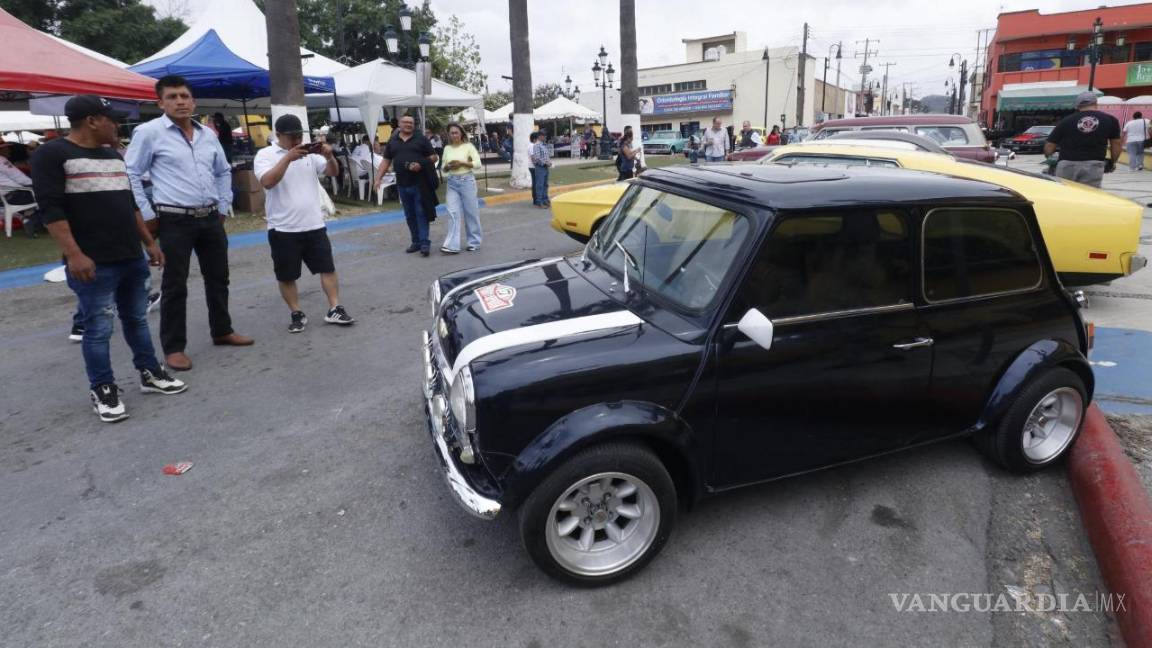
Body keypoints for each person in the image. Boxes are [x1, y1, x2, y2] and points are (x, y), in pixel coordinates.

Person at [33, 95, 187, 423]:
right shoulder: (53, 154)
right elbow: (52, 211)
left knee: (136, 319)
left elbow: (129, 204)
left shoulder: (114, 156)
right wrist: (75, 255)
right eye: (110, 119)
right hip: (93, 260)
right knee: (99, 328)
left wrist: (148, 242)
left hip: (130, 255)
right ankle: (103, 387)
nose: (116, 125)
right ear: (91, 121)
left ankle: (149, 372)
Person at [125, 75, 253, 372]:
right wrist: (146, 213)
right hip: (174, 219)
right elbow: (130, 174)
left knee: (219, 277)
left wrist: (223, 205)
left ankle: (222, 330)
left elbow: (223, 171)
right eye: (172, 97)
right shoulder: (149, 133)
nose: (180, 101)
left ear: (193, 101)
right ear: (161, 102)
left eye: (184, 96)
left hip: (210, 217)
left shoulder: (207, 135)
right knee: (175, 285)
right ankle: (174, 348)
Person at [253, 114, 355, 333]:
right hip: (283, 227)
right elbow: (267, 182)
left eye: (299, 136)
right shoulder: (265, 154)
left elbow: (333, 173)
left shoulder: (309, 153)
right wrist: (287, 158)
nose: (297, 141)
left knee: (327, 268)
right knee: (287, 274)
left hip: (314, 223)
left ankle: (335, 307)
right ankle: (296, 311)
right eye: (292, 137)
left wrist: (329, 157)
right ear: (278, 135)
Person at [374, 115, 438, 256]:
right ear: (399, 124)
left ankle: (424, 243)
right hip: (402, 184)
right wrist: (378, 178)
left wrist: (421, 163)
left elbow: (434, 157)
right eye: (405, 122)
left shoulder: (421, 138)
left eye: (411, 122)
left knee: (421, 213)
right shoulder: (393, 141)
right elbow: (386, 161)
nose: (408, 124)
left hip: (420, 183)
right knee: (409, 215)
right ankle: (415, 242)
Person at [1043, 92, 1121, 188]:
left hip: (1067, 164)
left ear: (1077, 106)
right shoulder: (1110, 120)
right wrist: (1113, 162)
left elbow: (1049, 145)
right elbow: (1116, 143)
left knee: (1065, 195)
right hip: (1093, 165)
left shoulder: (1066, 120)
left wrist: (1050, 158)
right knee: (1089, 195)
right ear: (1096, 103)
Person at [439, 122, 483, 254]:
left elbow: (478, 164)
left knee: (471, 213)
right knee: (452, 212)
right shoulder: (447, 148)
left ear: (461, 133)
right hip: (452, 182)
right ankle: (452, 245)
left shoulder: (468, 147)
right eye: (451, 133)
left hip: (467, 181)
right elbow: (443, 168)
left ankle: (474, 242)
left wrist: (462, 163)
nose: (454, 135)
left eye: (456, 132)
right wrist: (448, 167)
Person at [0, 141, 40, 236]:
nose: (8, 150)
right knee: (48, 194)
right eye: (5, 148)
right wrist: (36, 184)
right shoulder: (2, 160)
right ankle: (35, 221)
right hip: (16, 195)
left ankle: (27, 219)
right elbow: (19, 177)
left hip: (4, 199)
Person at [529, 131, 552, 208]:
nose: (545, 137)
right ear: (539, 136)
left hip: (545, 167)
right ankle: (539, 201)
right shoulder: (536, 145)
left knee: (545, 184)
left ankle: (545, 199)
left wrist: (549, 162)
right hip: (540, 167)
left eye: (545, 136)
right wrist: (545, 163)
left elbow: (546, 156)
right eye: (544, 136)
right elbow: (537, 158)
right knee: (540, 185)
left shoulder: (544, 145)